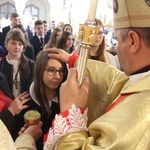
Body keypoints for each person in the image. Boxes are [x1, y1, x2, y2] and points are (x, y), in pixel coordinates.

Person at [44, 0, 150, 149]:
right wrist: (73, 60)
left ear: (133, 42)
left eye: (118, 40)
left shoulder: (143, 115)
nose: (116, 48)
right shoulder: (143, 80)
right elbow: (114, 80)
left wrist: (70, 113)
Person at [29, 50, 68, 149]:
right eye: (51, 70)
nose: (58, 76)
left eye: (61, 71)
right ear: (40, 70)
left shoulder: (67, 100)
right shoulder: (27, 103)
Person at [0, 30, 35, 140]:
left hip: (26, 107)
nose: (17, 47)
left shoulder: (31, 64)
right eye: (13, 43)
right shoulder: (1, 64)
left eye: (20, 44)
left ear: (24, 46)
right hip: (8, 109)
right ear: (6, 45)